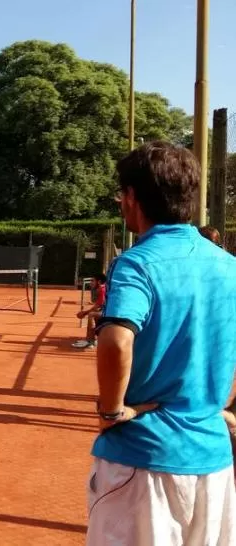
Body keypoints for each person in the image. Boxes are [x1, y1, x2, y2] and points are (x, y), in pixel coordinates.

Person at [86, 141, 236, 544]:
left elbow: (116, 341)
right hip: (214, 463)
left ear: (133, 196)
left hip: (145, 460)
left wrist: (111, 411)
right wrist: (218, 404)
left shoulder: (137, 262)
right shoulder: (229, 265)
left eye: (122, 194)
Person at [72, 273, 106, 349]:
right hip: (105, 311)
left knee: (91, 315)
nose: (91, 283)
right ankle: (90, 339)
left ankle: (91, 341)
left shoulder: (103, 290)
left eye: (93, 281)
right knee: (93, 314)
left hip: (110, 313)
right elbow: (97, 305)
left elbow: (98, 306)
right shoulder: (100, 289)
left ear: (99, 282)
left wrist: (84, 313)